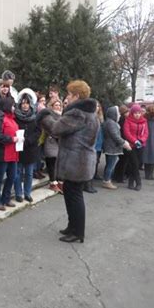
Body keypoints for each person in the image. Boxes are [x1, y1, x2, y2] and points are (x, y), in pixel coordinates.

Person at [37, 80, 99, 243]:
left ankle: (78, 232)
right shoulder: (90, 113)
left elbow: (57, 129)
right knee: (72, 195)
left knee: (74, 196)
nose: (67, 97)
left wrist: (43, 115)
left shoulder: (77, 113)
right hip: (82, 162)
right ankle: (73, 227)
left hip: (76, 162)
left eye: (70, 94)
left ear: (76, 96)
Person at [0, 96, 19, 210]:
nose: (14, 108)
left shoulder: (12, 118)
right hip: (2, 152)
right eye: (13, 105)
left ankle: (6, 198)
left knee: (12, 176)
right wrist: (11, 139)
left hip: (13, 152)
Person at [14, 88, 41, 203]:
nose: (25, 106)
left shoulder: (35, 117)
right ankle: (18, 193)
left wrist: (28, 140)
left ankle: (27, 193)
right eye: (23, 103)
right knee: (18, 172)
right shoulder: (15, 116)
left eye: (27, 103)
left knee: (29, 173)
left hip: (31, 148)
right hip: (19, 148)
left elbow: (38, 132)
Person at [101, 106, 131, 189]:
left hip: (111, 147)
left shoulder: (110, 122)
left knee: (110, 164)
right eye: (118, 113)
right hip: (112, 147)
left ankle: (107, 179)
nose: (119, 115)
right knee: (110, 165)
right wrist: (124, 143)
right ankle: (107, 181)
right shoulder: (111, 123)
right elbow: (115, 136)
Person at [123, 104, 148, 191]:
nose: (137, 115)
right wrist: (134, 141)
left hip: (141, 145)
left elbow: (146, 133)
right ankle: (138, 182)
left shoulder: (144, 121)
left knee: (137, 163)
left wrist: (141, 141)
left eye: (139, 113)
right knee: (134, 163)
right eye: (135, 113)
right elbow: (127, 133)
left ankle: (130, 181)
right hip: (131, 146)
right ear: (132, 113)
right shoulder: (128, 121)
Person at [84, 101, 104, 193]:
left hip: (98, 143)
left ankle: (91, 182)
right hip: (92, 144)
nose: (97, 108)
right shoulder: (89, 117)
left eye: (98, 106)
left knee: (96, 163)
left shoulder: (99, 117)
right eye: (95, 106)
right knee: (90, 165)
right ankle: (87, 184)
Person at [43, 99, 63, 193]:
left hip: (60, 143)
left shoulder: (62, 116)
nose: (58, 107)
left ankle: (58, 182)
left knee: (57, 164)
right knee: (51, 162)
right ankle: (52, 183)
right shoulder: (48, 116)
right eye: (56, 105)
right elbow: (52, 129)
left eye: (59, 105)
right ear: (52, 106)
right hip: (51, 142)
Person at [113, 105, 130, 183]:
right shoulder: (123, 120)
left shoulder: (120, 120)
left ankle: (116, 175)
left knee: (121, 160)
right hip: (123, 142)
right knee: (123, 160)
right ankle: (120, 177)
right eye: (127, 112)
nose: (128, 113)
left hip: (121, 142)